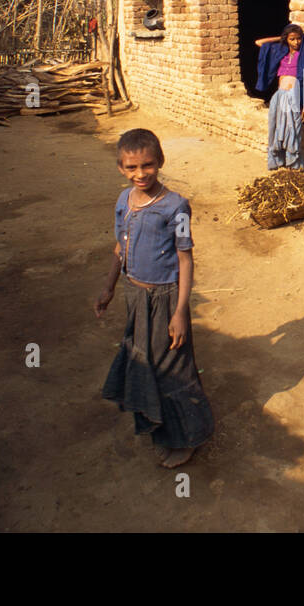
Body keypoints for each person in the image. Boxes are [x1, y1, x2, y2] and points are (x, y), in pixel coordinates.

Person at [97, 128, 214, 468]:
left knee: (172, 369)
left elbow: (184, 259)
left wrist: (179, 312)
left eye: (147, 165)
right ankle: (160, 426)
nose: (140, 174)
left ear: (160, 162)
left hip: (165, 299)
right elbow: (121, 247)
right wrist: (108, 287)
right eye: (132, 167)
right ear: (121, 167)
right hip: (135, 296)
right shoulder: (123, 201)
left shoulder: (175, 207)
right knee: (143, 360)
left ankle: (187, 438)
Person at [255, 23, 304, 171]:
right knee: (276, 129)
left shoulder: (303, 56)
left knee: (293, 131)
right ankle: (279, 163)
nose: (296, 42)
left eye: (299, 39)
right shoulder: (281, 52)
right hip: (279, 96)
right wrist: (281, 38)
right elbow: (259, 43)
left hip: (294, 97)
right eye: (292, 39)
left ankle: (294, 167)